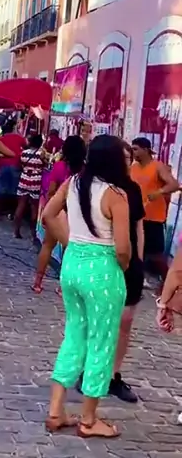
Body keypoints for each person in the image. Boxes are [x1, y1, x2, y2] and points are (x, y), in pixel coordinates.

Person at [42, 134, 131, 439]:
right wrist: (122, 266)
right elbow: (123, 248)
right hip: (103, 269)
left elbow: (48, 215)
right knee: (101, 341)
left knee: (74, 335)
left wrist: (73, 243)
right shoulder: (116, 195)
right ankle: (89, 420)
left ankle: (56, 411)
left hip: (73, 265)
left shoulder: (73, 183)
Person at [107, 141, 145, 403]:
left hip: (130, 261)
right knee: (100, 319)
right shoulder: (100, 188)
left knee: (125, 320)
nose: (127, 163)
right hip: (104, 259)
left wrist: (139, 258)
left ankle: (114, 375)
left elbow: (138, 226)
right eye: (122, 158)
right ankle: (90, 368)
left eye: (129, 158)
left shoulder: (133, 189)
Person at [32, 135, 86, 293]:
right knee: (69, 249)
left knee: (47, 245)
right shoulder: (84, 170)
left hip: (57, 211)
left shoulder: (59, 166)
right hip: (76, 212)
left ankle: (38, 282)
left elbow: (51, 191)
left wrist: (49, 210)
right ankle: (63, 286)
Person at [130, 136, 179, 286]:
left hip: (154, 217)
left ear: (146, 150)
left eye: (136, 149)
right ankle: (140, 279)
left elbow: (174, 184)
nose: (133, 152)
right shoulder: (133, 167)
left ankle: (168, 281)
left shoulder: (157, 166)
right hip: (137, 216)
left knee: (155, 254)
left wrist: (159, 192)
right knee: (137, 249)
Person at [14, 134, 46, 239]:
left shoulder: (24, 153)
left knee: (20, 205)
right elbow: (45, 165)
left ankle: (16, 231)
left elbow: (19, 165)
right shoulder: (41, 154)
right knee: (34, 207)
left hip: (24, 179)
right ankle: (33, 233)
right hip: (36, 181)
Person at [0, 118, 25, 217]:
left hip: (2, 164)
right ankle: (12, 211)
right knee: (14, 188)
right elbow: (27, 147)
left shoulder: (0, 139)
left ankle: (0, 210)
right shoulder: (19, 138)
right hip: (15, 164)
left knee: (2, 187)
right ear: (13, 128)